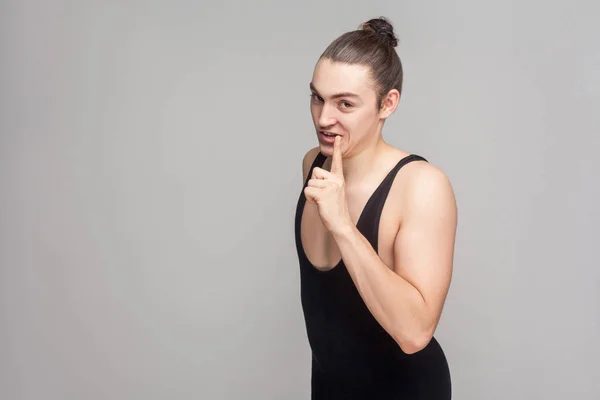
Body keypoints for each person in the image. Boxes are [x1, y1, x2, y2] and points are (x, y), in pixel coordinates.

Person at [294, 17, 458, 399]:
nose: (323, 118)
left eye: (345, 104)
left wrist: (344, 227)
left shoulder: (421, 186)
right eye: (317, 97)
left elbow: (415, 333)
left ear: (388, 104)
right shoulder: (313, 164)